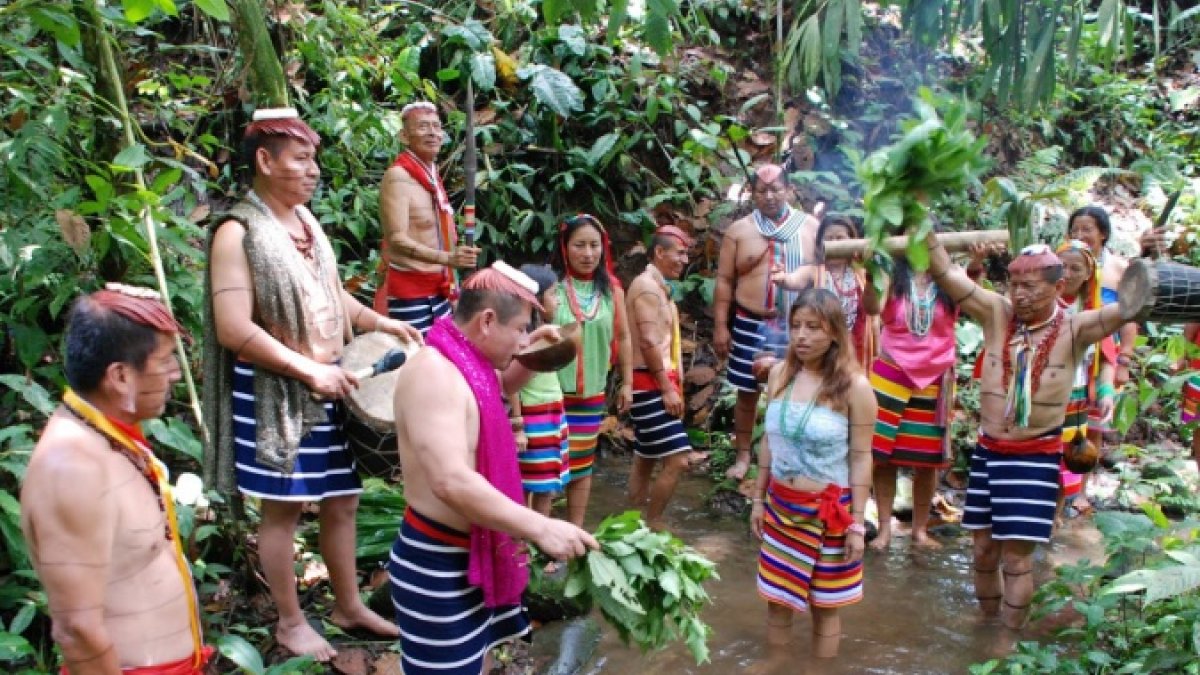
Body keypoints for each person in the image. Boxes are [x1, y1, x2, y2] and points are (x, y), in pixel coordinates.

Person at [203, 108, 421, 661]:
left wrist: (378, 322)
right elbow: (234, 329)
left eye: (313, 159)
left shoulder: (306, 223)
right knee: (283, 510)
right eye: (301, 159)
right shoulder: (238, 232)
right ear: (264, 160)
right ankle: (290, 621)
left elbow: (329, 294)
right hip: (279, 393)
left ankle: (347, 605)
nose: (313, 171)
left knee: (343, 500)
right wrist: (308, 369)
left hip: (330, 385)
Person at [389, 262, 598, 675]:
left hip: (473, 552)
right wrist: (539, 526)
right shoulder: (434, 372)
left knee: (476, 663)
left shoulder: (466, 361)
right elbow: (450, 480)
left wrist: (531, 352)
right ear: (487, 320)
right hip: (438, 561)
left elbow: (493, 391)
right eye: (521, 328)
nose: (523, 338)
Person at [927, 237, 1126, 632]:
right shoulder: (996, 314)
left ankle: (1007, 640)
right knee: (983, 550)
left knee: (1016, 559)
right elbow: (946, 273)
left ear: (1057, 287)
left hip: (1035, 455)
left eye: (1031, 287)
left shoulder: (1075, 328)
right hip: (987, 451)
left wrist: (1149, 279)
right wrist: (921, 227)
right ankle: (985, 625)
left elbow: (1129, 308)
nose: (1020, 295)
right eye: (1015, 285)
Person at [21, 285, 214, 674]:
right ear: (121, 376)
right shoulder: (72, 469)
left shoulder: (109, 437)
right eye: (165, 361)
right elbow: (76, 629)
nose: (176, 373)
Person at [748, 289, 876, 657]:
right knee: (777, 598)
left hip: (828, 512)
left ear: (834, 332)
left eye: (813, 328)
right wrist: (758, 500)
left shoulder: (856, 387)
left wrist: (856, 524)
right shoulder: (779, 375)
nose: (801, 336)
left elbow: (862, 457)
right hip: (781, 504)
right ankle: (777, 664)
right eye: (796, 326)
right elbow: (769, 442)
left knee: (825, 605)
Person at [713, 164, 820, 480]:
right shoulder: (740, 231)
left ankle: (788, 459)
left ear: (788, 190)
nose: (769, 196)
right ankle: (744, 456)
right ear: (752, 194)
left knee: (797, 391)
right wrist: (721, 325)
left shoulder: (810, 227)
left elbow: (822, 273)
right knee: (747, 392)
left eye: (775, 190)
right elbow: (724, 280)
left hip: (797, 323)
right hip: (750, 321)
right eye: (762, 191)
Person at [868, 249, 958, 549]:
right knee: (883, 457)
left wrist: (974, 265)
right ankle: (884, 530)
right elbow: (872, 307)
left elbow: (973, 302)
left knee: (927, 461)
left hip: (935, 375)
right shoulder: (890, 274)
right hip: (891, 372)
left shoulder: (950, 277)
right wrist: (872, 273)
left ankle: (920, 530)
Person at [550, 214, 633, 526]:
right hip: (549, 391)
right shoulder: (552, 286)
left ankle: (574, 532)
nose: (587, 253)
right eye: (579, 245)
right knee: (543, 464)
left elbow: (623, 336)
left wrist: (626, 383)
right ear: (564, 247)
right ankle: (534, 538)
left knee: (581, 464)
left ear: (604, 248)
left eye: (594, 245)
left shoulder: (612, 290)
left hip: (590, 393)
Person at [375, 101, 481, 334]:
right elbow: (397, 240)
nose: (432, 133)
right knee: (416, 361)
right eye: (423, 127)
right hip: (410, 294)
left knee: (443, 359)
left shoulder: (430, 175)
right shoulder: (398, 176)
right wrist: (447, 258)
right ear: (404, 136)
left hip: (441, 288)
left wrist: (457, 256)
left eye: (436, 126)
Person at [625, 226, 695, 531]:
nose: (684, 259)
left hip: (654, 381)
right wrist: (666, 388)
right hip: (650, 384)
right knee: (678, 459)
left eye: (686, 253)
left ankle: (627, 527)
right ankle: (653, 523)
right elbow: (648, 343)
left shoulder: (656, 286)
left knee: (646, 458)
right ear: (659, 252)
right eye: (678, 253)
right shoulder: (647, 288)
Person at [1054, 240, 1117, 520]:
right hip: (1040, 393)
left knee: (1065, 459)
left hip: (1075, 395)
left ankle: (1054, 521)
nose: (1066, 274)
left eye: (1074, 268)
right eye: (1061, 266)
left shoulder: (1094, 310)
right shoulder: (1037, 301)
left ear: (1088, 274)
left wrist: (1105, 392)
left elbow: (1105, 358)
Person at [771, 213, 879, 370]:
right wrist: (782, 279)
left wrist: (876, 351)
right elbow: (793, 280)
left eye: (840, 238)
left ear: (853, 242)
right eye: (829, 238)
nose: (834, 243)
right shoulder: (812, 271)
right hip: (820, 349)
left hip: (857, 349)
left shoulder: (863, 275)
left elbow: (874, 318)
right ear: (819, 244)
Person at [502, 264, 570, 515]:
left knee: (547, 486)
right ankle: (524, 546)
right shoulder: (524, 334)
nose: (558, 301)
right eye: (553, 294)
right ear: (536, 299)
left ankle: (540, 547)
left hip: (552, 413)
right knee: (527, 486)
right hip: (533, 418)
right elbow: (511, 380)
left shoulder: (545, 330)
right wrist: (518, 425)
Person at [1067, 206, 1137, 387]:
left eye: (1086, 230)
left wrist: (1124, 361)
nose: (1079, 235)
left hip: (1107, 353)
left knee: (1102, 407)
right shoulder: (1062, 265)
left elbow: (1129, 316)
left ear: (1103, 233)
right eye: (1074, 230)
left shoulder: (1119, 268)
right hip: (1069, 348)